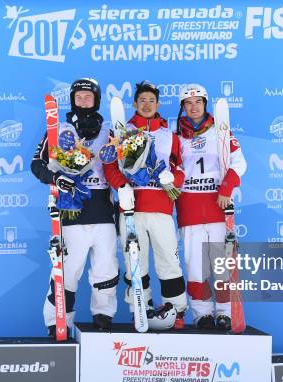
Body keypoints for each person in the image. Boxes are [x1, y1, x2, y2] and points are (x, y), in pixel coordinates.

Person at [31, 78, 118, 335]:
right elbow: (36, 164)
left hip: (102, 210)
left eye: (88, 96)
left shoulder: (109, 131)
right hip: (71, 211)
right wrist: (56, 178)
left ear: (96, 100)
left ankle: (103, 315)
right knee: (68, 270)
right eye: (78, 96)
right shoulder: (58, 130)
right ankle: (58, 321)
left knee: (106, 267)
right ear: (72, 99)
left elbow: (118, 167)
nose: (83, 100)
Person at [103, 81, 188, 329]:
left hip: (161, 208)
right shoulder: (121, 131)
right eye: (142, 100)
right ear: (135, 104)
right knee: (135, 261)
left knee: (168, 260)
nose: (147, 105)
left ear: (158, 104)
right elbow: (109, 166)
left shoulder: (169, 136)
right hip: (131, 208)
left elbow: (180, 168)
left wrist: (173, 179)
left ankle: (176, 310)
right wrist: (122, 186)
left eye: (152, 100)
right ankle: (140, 307)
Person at [175, 84, 247, 330]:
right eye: (188, 103)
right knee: (195, 266)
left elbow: (239, 162)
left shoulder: (221, 131)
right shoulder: (177, 136)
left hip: (217, 205)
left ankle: (225, 312)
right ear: (183, 107)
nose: (194, 107)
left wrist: (226, 188)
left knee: (221, 264)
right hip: (190, 208)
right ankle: (202, 312)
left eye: (198, 102)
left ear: (205, 104)